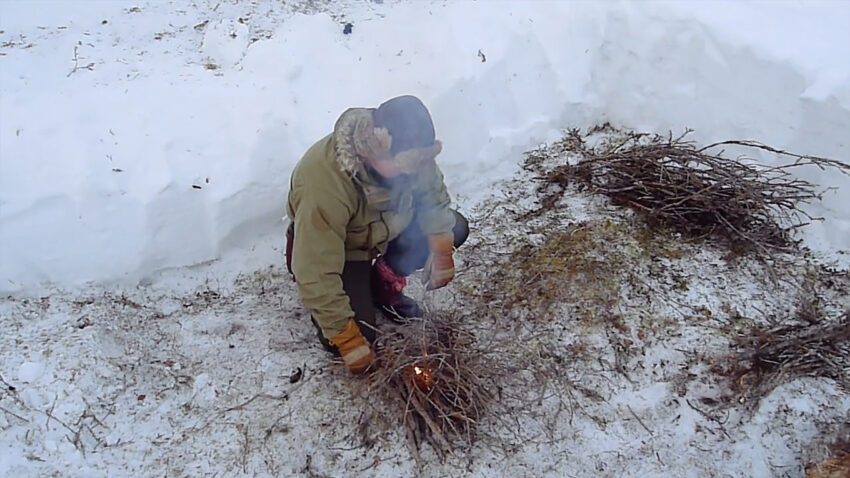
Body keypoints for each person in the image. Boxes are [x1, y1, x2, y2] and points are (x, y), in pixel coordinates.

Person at [285, 95, 469, 375]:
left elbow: (433, 196)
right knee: (358, 338)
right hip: (341, 250)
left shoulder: (411, 156)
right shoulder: (325, 183)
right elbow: (316, 269)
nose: (414, 172)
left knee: (454, 227)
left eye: (419, 163)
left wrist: (441, 249)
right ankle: (336, 309)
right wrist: (346, 338)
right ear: (376, 149)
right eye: (406, 166)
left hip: (385, 230)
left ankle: (383, 284)